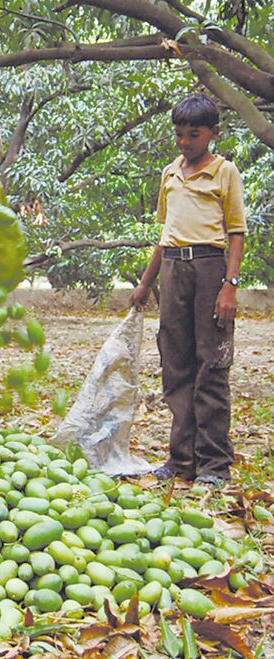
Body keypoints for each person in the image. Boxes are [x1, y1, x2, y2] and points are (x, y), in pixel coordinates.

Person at [129, 93, 247, 489]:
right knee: (175, 363)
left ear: (213, 133)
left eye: (193, 134)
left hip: (209, 268)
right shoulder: (170, 174)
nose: (184, 142)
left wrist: (229, 285)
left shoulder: (225, 172)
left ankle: (214, 463)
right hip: (173, 269)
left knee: (210, 364)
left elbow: (236, 232)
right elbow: (166, 234)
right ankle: (181, 459)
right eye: (179, 134)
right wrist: (146, 282)